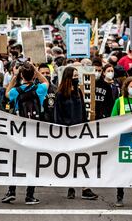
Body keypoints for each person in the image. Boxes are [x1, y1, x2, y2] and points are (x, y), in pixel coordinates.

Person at [3, 62, 48, 205]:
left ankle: (11, 191)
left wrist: (14, 76)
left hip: (19, 131)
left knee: (15, 161)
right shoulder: (40, 89)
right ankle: (30, 195)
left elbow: (7, 93)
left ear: (21, 75)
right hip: (35, 131)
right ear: (33, 75)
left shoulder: (16, 91)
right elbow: (46, 81)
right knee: (32, 163)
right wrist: (35, 71)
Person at [54, 66, 98, 200]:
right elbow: (58, 114)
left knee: (82, 160)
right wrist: (62, 130)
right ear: (68, 77)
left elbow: (83, 112)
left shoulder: (78, 91)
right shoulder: (60, 94)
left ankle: (85, 188)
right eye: (74, 76)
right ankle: (71, 188)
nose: (76, 78)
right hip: (67, 132)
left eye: (77, 76)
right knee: (71, 161)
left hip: (80, 131)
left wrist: (85, 126)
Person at [110, 77, 132, 207]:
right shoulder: (120, 101)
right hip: (123, 140)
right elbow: (113, 119)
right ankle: (120, 196)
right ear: (126, 88)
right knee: (122, 169)